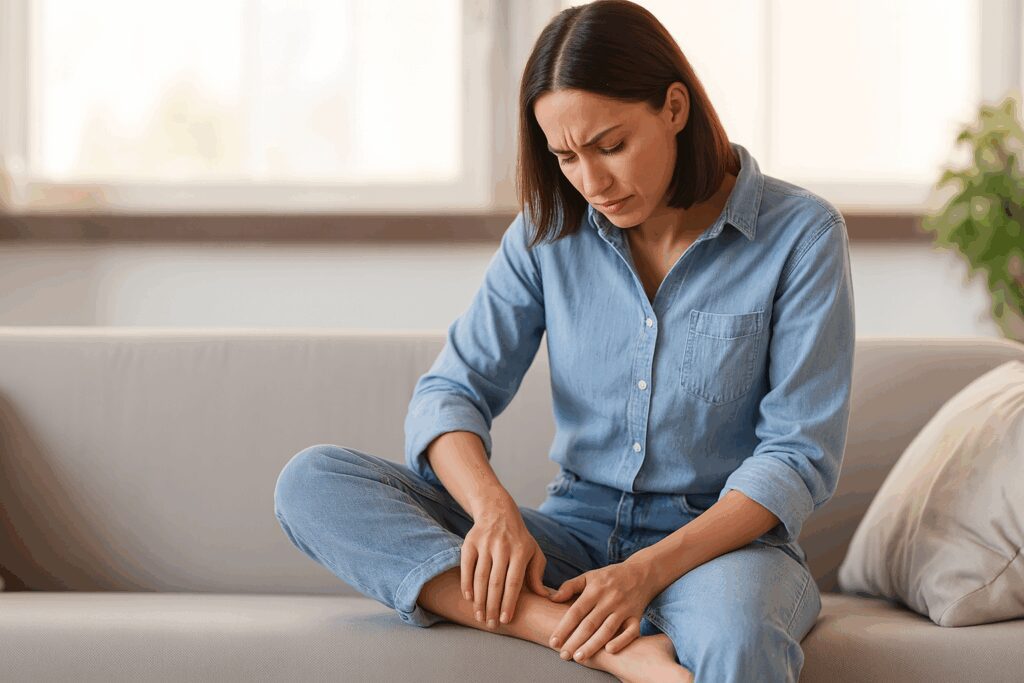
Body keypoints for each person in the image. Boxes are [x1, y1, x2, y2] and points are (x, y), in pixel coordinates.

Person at [273, 1, 855, 681]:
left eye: (611, 146)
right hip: (573, 536)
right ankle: (588, 639)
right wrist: (492, 513)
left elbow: (797, 455)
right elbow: (451, 393)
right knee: (312, 481)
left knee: (738, 637)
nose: (592, 182)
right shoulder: (546, 233)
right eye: (566, 157)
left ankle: (598, 624)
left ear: (674, 108)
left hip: (720, 551)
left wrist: (643, 572)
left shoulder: (802, 235)